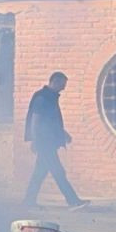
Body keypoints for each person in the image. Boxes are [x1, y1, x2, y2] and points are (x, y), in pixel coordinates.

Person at [23, 72, 89, 210]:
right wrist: (35, 141)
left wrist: (63, 134)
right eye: (62, 85)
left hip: (48, 142)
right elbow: (36, 120)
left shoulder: (50, 98)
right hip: (44, 142)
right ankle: (73, 201)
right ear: (55, 81)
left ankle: (28, 202)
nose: (64, 88)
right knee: (58, 172)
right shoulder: (42, 98)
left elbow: (52, 122)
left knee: (39, 173)